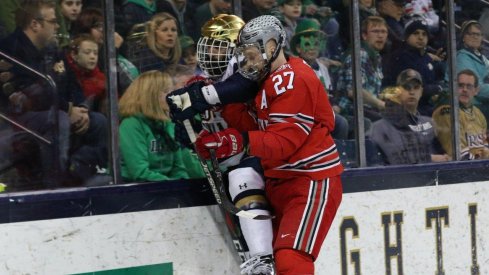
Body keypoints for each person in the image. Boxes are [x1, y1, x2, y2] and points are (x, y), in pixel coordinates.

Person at [167, 15, 344, 274]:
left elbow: (283, 141)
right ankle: (261, 259)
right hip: (278, 180)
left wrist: (235, 142)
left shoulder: (292, 78)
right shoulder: (265, 81)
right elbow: (250, 126)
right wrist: (210, 112)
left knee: (291, 260)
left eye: (251, 55)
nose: (247, 63)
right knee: (278, 261)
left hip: (310, 180)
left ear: (271, 47)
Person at [193, 14, 276, 274]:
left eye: (219, 45)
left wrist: (232, 140)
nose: (212, 51)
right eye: (210, 44)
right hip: (225, 167)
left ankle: (263, 260)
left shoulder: (254, 77)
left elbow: (260, 131)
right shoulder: (199, 82)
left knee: (243, 177)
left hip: (265, 160)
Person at [0, 0, 108, 186]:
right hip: (16, 117)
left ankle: (83, 169)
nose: (58, 26)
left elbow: (71, 83)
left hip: (58, 109)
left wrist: (81, 107)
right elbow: (31, 94)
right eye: (53, 21)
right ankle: (56, 180)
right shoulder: (10, 49)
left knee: (98, 122)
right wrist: (68, 109)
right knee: (59, 119)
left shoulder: (53, 48)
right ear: (35, 24)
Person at [119, 70, 195, 182]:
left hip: (166, 189)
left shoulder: (168, 123)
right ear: (150, 96)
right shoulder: (131, 125)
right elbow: (139, 172)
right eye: (166, 91)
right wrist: (172, 187)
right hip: (136, 191)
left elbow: (179, 168)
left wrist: (181, 186)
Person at [369, 69, 450, 164]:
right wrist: (430, 158)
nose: (412, 92)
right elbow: (394, 159)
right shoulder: (381, 127)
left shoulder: (429, 123)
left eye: (416, 87)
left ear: (421, 91)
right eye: (407, 87)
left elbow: (444, 155)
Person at [290, 18, 349, 139]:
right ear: (298, 48)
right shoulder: (293, 68)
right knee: (341, 123)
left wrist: (335, 105)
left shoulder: (323, 67)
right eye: (307, 44)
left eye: (316, 44)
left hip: (326, 111)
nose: (312, 48)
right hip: (304, 116)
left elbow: (331, 92)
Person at [382, 16, 446, 116]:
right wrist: (436, 88)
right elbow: (409, 89)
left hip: (424, 106)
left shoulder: (427, 57)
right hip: (402, 107)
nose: (420, 37)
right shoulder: (400, 57)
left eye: (424, 34)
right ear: (407, 36)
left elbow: (438, 80)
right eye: (416, 33)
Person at [336, 16, 388, 134]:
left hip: (367, 110)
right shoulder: (360, 55)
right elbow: (354, 90)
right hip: (350, 110)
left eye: (383, 32)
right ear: (364, 36)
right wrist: (380, 104)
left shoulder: (376, 57)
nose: (380, 35)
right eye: (375, 31)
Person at [432, 69, 489, 160]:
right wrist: (482, 159)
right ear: (453, 87)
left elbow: (485, 143)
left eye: (469, 86)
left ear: (476, 90)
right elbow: (458, 154)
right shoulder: (446, 111)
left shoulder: (478, 113)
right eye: (460, 86)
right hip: (455, 169)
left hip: (478, 166)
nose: (465, 90)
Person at [455, 20, 489, 124]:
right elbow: (475, 87)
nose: (475, 37)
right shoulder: (461, 57)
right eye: (471, 34)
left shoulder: (482, 57)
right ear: (463, 37)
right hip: (473, 103)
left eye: (478, 34)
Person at [65, 34, 106, 113]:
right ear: (74, 55)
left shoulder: (101, 79)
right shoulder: (66, 73)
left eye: (95, 53)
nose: (92, 57)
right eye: (87, 52)